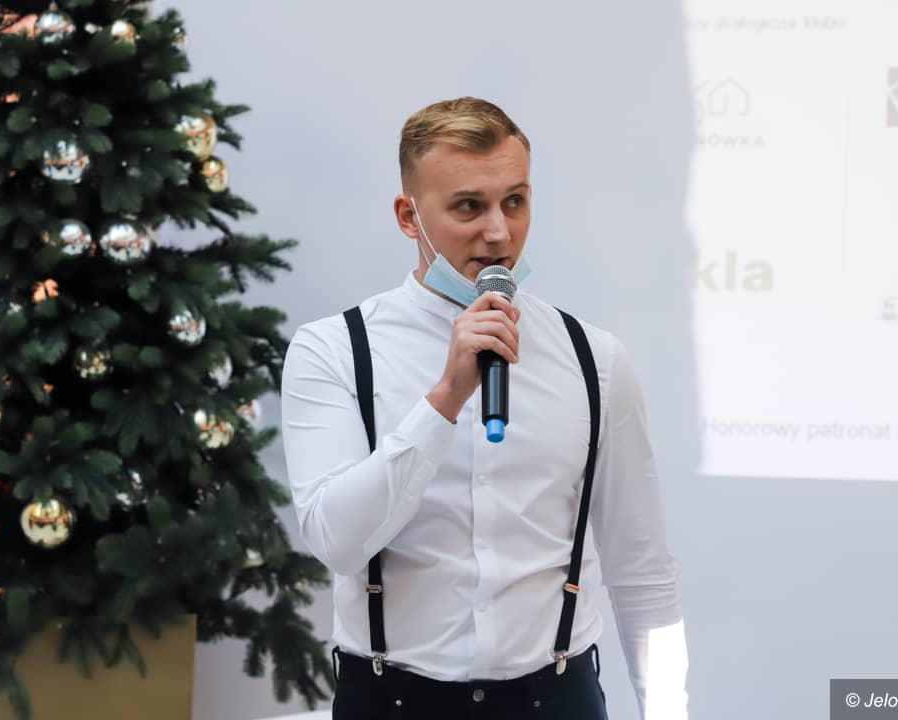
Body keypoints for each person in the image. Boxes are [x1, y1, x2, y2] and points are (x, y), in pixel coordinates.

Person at [282, 97, 688, 719]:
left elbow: (642, 569)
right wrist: (445, 399)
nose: (499, 232)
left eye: (514, 202)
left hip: (557, 699)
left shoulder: (595, 359)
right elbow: (336, 541)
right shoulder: (333, 350)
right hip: (391, 702)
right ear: (409, 216)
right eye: (469, 206)